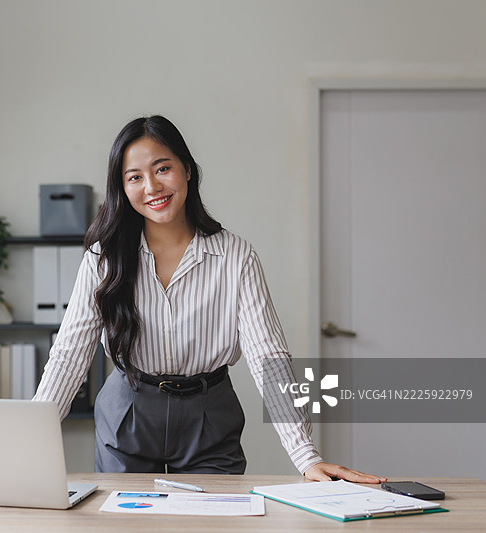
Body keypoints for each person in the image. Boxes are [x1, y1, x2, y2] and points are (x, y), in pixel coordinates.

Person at [33, 115, 385, 483]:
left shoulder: (236, 256)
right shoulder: (102, 259)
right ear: (122, 187)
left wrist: (304, 455)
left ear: (186, 169)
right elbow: (69, 354)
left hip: (209, 415)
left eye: (162, 168)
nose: (152, 186)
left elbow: (269, 357)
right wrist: (30, 442)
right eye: (134, 176)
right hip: (128, 411)